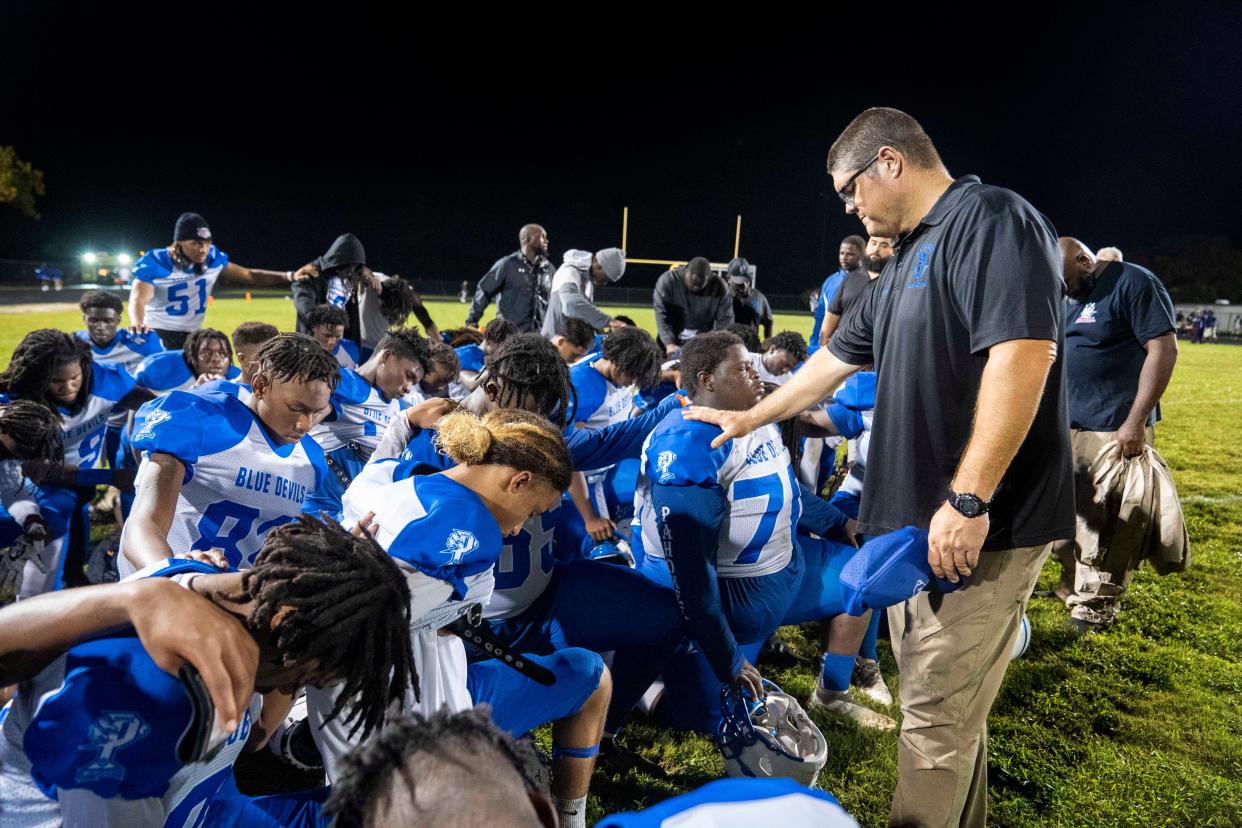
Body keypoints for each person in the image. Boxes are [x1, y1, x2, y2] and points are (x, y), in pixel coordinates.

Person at [684, 107, 1073, 828]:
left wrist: (968, 499)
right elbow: (829, 363)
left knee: (931, 721)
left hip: (980, 523)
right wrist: (749, 416)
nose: (851, 207)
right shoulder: (903, 258)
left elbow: (1025, 354)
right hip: (914, 527)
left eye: (850, 190)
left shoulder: (991, 219)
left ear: (889, 162)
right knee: (949, 715)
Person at [0, 515, 417, 827]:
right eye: (304, 676)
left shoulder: (210, 582)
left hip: (199, 802)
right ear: (285, 621)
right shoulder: (142, 702)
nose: (296, 687)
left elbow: (249, 740)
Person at [634, 331, 887, 732]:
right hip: (732, 601)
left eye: (753, 365)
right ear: (707, 380)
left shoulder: (756, 415)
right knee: (702, 719)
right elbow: (688, 571)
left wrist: (839, 522)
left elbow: (790, 492)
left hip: (782, 576)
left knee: (863, 574)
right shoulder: (688, 442)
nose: (757, 375)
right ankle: (648, 680)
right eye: (743, 367)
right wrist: (723, 649)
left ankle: (833, 692)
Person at [119, 333, 337, 575]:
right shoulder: (200, 419)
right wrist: (171, 573)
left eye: (315, 412)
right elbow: (142, 524)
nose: (305, 425)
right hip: (159, 590)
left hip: (233, 595)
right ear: (261, 385)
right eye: (296, 409)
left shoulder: (312, 462)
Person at [1053, 237, 1177, 632]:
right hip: (1069, 424)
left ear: (1084, 261)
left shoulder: (1133, 282)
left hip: (1113, 425)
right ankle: (1073, 585)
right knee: (1069, 518)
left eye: (1066, 279)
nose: (1064, 289)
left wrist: (1135, 419)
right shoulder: (1067, 294)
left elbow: (1162, 349)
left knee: (1109, 525)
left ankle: (1096, 606)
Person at [0, 331, 156, 596]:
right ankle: (34, 602)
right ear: (39, 379)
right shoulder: (20, 407)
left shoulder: (104, 380)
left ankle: (70, 579)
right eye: (57, 381)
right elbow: (40, 471)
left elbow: (151, 403)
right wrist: (111, 477)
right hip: (39, 483)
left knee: (74, 536)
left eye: (74, 378)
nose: (68, 387)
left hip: (77, 475)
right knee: (52, 521)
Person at [303, 328, 431, 518]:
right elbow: (296, 426)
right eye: (408, 376)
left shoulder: (404, 405)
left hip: (364, 511)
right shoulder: (346, 383)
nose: (408, 388)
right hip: (322, 508)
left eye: (414, 383)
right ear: (387, 356)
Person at [129, 212, 307, 349]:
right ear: (180, 242)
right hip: (159, 332)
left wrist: (290, 276)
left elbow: (249, 275)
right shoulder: (156, 261)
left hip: (193, 334)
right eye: (196, 243)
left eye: (207, 243)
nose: (203, 249)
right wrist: (138, 321)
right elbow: (139, 298)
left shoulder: (212, 258)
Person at [565, 327, 662, 543]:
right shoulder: (581, 388)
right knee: (596, 544)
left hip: (608, 473)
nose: (633, 383)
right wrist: (589, 516)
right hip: (584, 484)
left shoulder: (613, 363)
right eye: (632, 375)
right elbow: (567, 456)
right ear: (618, 360)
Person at [75, 289, 165, 463]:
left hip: (129, 418)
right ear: (84, 318)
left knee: (126, 467)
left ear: (118, 320)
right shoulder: (73, 344)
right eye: (93, 320)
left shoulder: (142, 341)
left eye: (107, 320)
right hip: (90, 420)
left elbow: (164, 375)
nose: (100, 326)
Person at [466, 224, 555, 332]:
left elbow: (554, 303)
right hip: (509, 337)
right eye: (542, 236)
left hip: (538, 338)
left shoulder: (549, 269)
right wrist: (472, 321)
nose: (547, 240)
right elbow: (484, 291)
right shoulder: (507, 265)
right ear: (528, 239)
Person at [653, 256, 734, 356]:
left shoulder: (720, 287)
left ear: (709, 278)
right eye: (692, 283)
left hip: (702, 344)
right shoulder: (668, 281)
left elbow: (725, 322)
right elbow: (661, 314)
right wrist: (669, 343)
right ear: (686, 272)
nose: (694, 288)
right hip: (668, 343)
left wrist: (714, 346)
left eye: (699, 285)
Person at [821, 235, 895, 343]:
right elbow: (833, 312)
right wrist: (823, 343)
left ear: (894, 250)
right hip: (843, 348)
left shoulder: (896, 280)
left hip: (873, 353)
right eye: (873, 243)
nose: (876, 249)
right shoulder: (851, 277)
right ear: (866, 247)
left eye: (884, 245)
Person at [540, 247, 627, 338]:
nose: (604, 283)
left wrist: (603, 334)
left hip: (569, 344)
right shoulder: (569, 272)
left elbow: (585, 318)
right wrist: (608, 321)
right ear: (599, 266)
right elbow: (571, 305)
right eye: (606, 278)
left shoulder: (587, 280)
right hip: (553, 344)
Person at [134, 328, 241, 395]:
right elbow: (132, 399)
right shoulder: (158, 367)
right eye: (207, 353)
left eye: (223, 353)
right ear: (192, 355)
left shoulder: (236, 378)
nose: (216, 359)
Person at [809, 236, 866, 352]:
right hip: (828, 343)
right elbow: (820, 315)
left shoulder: (869, 280)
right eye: (842, 253)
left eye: (850, 254)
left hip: (855, 345)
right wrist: (814, 342)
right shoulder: (830, 281)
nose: (844, 257)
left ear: (861, 255)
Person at [727, 257, 774, 340]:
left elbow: (768, 323)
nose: (744, 285)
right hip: (727, 350)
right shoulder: (722, 298)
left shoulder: (759, 298)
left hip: (751, 350)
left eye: (746, 280)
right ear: (729, 279)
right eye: (740, 282)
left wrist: (767, 343)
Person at [305, 303, 361, 369]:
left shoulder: (351, 349)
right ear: (314, 327)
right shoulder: (301, 352)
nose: (332, 342)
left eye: (338, 336)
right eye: (327, 336)